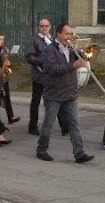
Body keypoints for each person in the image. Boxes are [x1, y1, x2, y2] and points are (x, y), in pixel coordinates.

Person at [36, 23, 94, 163]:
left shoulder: (72, 49)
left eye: (71, 34)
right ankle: (41, 150)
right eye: (67, 34)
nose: (70, 37)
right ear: (59, 34)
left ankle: (79, 153)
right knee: (48, 124)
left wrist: (83, 58)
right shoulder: (49, 50)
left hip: (70, 92)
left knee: (74, 124)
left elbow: (84, 59)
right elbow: (51, 69)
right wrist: (72, 66)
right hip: (54, 93)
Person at [26, 18, 69, 136]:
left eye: (46, 26)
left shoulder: (53, 40)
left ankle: (64, 126)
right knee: (36, 101)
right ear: (39, 27)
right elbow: (29, 57)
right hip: (39, 76)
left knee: (57, 100)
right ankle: (32, 126)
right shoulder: (34, 40)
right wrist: (43, 61)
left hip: (52, 76)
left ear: (50, 27)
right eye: (42, 26)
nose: (44, 28)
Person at [0, 32, 20, 125]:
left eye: (3, 39)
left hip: (4, 77)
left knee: (7, 97)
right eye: (0, 39)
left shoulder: (5, 50)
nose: (2, 41)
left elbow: (7, 61)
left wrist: (8, 64)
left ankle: (10, 117)